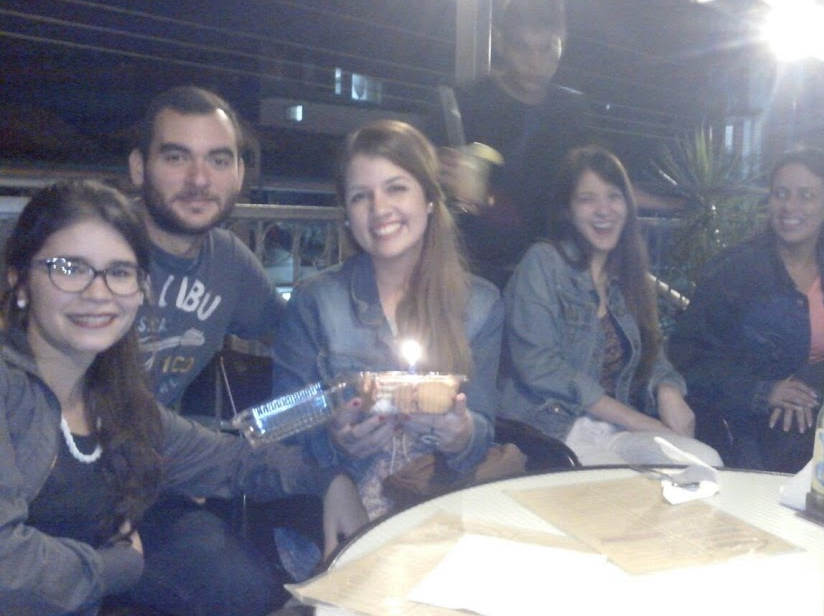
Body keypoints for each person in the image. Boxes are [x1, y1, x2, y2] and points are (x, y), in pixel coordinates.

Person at [0, 180, 366, 616]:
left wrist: (328, 479)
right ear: (19, 280)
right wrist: (112, 568)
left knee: (240, 583)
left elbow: (226, 460)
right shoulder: (10, 389)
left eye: (120, 272)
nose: (98, 293)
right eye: (70, 268)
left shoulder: (112, 399)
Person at [273, 119, 503, 519]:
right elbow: (285, 426)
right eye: (361, 196)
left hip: (443, 507)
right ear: (347, 214)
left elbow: (482, 428)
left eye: (396, 188)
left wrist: (462, 434)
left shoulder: (480, 303)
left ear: (429, 198)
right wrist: (333, 441)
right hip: (340, 513)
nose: (379, 209)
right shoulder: (317, 300)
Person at [125, 86, 299, 615]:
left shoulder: (229, 264)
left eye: (218, 160)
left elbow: (300, 340)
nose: (199, 179)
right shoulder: (96, 241)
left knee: (247, 588)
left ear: (239, 174)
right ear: (139, 168)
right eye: (176, 157)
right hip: (46, 491)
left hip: (149, 487)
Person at [668, 148, 824, 473]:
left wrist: (814, 386)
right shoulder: (733, 270)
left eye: (806, 195)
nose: (790, 206)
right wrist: (763, 392)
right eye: (781, 194)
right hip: (747, 425)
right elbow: (687, 356)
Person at [499, 146, 721, 467]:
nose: (604, 210)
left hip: (611, 430)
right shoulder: (544, 262)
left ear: (627, 206)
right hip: (549, 428)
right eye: (587, 199)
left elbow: (652, 357)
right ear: (567, 210)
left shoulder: (627, 278)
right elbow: (539, 366)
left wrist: (668, 390)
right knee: (620, 485)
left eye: (614, 197)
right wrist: (639, 421)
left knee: (704, 462)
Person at [429, 0, 593, 288]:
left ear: (563, 41)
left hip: (552, 276)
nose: (536, 62)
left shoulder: (573, 112)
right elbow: (421, 177)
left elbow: (588, 185)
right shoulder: (465, 103)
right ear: (501, 42)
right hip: (473, 273)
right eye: (523, 48)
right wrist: (437, 169)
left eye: (547, 49)